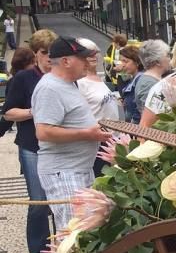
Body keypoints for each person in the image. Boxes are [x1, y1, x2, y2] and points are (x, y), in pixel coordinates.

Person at [32, 37, 112, 229]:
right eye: (82, 58)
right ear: (66, 61)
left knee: (85, 229)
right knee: (74, 232)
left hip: (77, 169)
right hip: (64, 172)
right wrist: (87, 134)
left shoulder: (67, 84)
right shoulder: (50, 87)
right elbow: (43, 132)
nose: (88, 63)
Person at [3, 30, 56, 253]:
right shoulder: (23, 79)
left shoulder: (60, 75)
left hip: (58, 146)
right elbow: (8, 113)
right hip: (32, 146)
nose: (49, 57)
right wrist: (35, 111)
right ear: (36, 54)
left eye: (52, 52)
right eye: (44, 53)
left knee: (60, 200)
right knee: (38, 202)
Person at [75, 38, 123, 176]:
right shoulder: (80, 82)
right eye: (88, 54)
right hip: (98, 142)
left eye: (95, 52)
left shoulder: (97, 78)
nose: (93, 56)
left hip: (113, 138)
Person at [135, 40, 171, 115]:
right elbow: (149, 116)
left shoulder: (151, 80)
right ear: (157, 62)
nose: (169, 59)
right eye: (167, 55)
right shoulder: (149, 84)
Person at [118, 45, 144, 124]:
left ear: (137, 62)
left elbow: (140, 108)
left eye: (125, 61)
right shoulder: (134, 77)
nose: (122, 64)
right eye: (122, 61)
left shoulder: (140, 79)